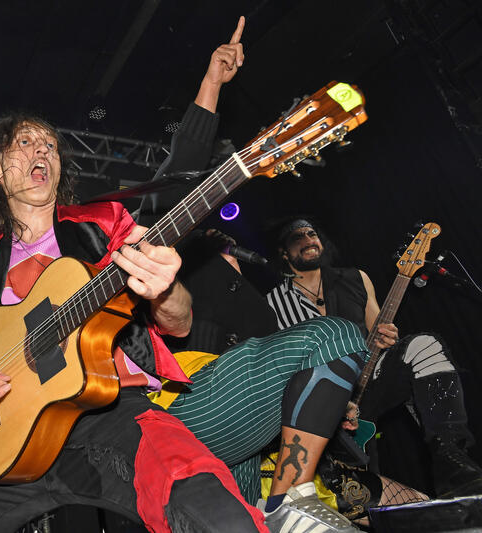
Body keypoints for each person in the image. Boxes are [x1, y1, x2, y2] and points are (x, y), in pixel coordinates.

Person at [0, 20, 267, 533]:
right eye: (25, 143)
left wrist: (166, 290)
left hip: (112, 416)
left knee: (218, 516)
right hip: (7, 446)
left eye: (50, 146)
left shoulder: (103, 223)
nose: (42, 151)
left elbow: (177, 321)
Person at [137, 20, 369, 532]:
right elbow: (183, 168)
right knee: (338, 334)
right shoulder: (155, 243)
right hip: (183, 398)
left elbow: (280, 352)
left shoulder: (259, 269)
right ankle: (290, 499)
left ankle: (283, 506)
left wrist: (324, 392)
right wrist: (213, 83)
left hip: (244, 420)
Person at [265, 218, 482, 513]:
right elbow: (286, 371)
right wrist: (333, 404)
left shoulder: (355, 278)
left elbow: (379, 329)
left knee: (423, 345)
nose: (308, 238)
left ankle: (459, 472)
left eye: (312, 232)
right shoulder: (273, 303)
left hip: (370, 377)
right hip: (322, 406)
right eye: (297, 236)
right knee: (371, 498)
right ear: (284, 253)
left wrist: (387, 337)